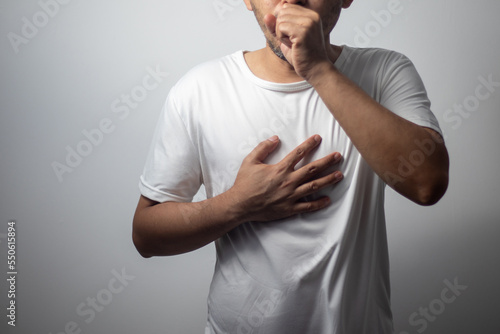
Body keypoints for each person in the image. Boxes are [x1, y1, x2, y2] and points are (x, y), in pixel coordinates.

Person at [132, 0, 449, 333]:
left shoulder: (385, 71)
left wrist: (317, 68)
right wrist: (238, 205)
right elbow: (147, 235)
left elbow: (427, 182)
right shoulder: (199, 89)